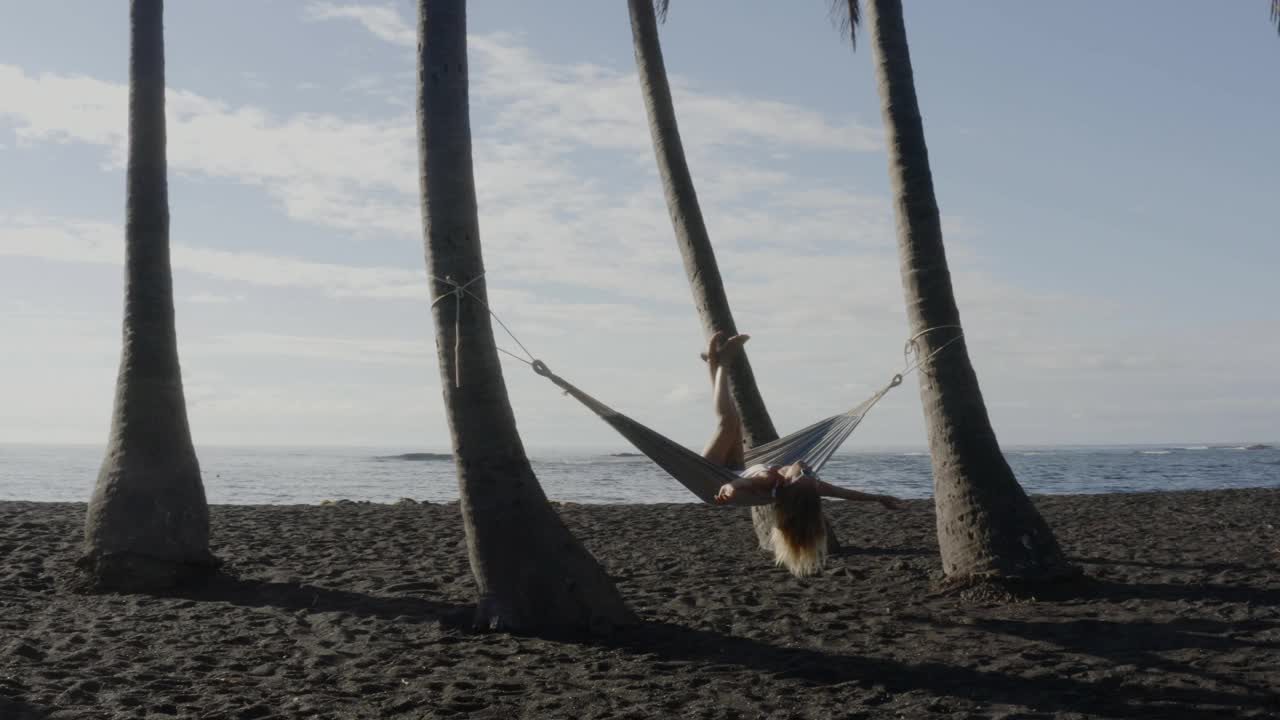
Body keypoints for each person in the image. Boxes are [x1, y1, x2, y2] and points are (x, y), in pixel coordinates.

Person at [701, 332, 902, 577]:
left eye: (803, 472)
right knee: (735, 423)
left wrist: (731, 489)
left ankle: (722, 363)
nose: (806, 466)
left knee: (727, 421)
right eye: (811, 472)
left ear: (789, 484)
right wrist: (879, 498)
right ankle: (716, 363)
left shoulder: (771, 480)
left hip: (713, 473)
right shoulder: (809, 486)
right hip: (734, 465)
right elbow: (846, 494)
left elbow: (742, 482)